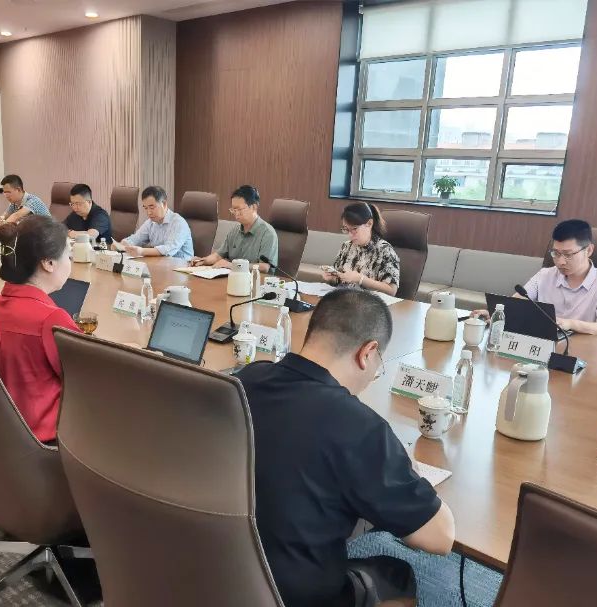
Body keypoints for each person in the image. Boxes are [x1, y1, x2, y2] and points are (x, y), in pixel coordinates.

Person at [237, 288, 455, 607]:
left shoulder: (245, 379)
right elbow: (440, 537)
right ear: (367, 353)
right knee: (398, 575)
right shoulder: (359, 426)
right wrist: (405, 467)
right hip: (291, 595)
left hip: (215, 568)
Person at [0, 215, 81, 443]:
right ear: (48, 263)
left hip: (0, 432)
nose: (70, 263)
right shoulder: (51, 319)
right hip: (44, 439)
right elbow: (86, 380)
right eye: (68, 256)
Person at [485, 219, 597, 337]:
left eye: (568, 254)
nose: (560, 262)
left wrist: (570, 324)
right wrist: (496, 313)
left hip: (583, 349)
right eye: (556, 253)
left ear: (589, 250)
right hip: (542, 343)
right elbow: (516, 304)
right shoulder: (545, 275)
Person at [189, 185, 278, 272]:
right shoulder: (235, 230)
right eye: (234, 210)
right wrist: (203, 261)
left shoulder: (267, 233)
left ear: (254, 207)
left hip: (256, 280)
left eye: (239, 209)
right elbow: (218, 256)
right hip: (233, 278)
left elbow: (264, 267)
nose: (236, 214)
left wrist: (232, 265)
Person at [322, 202, 399, 297]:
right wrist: (332, 278)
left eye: (354, 229)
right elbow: (338, 280)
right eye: (346, 229)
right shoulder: (346, 246)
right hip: (344, 299)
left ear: (369, 224)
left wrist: (361, 279)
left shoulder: (385, 250)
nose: (350, 235)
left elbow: (391, 290)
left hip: (369, 302)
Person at [121, 185, 194, 260]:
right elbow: (136, 239)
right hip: (161, 263)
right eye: (146, 208)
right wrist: (122, 244)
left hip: (182, 264)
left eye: (152, 207)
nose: (149, 212)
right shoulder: (150, 222)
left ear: (164, 204)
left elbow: (168, 249)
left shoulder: (178, 222)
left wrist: (142, 251)